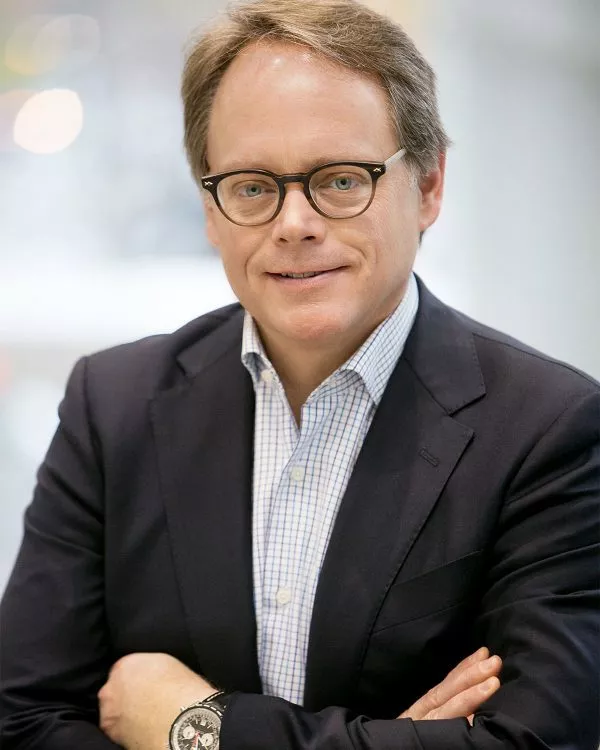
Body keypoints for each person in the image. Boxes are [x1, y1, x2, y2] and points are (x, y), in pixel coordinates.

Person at [1, 0, 598, 748]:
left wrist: (194, 728)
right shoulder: (112, 407)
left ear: (429, 187)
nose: (294, 224)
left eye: (341, 180)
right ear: (211, 210)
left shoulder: (549, 429)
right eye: (252, 186)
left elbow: (535, 742)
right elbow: (21, 723)